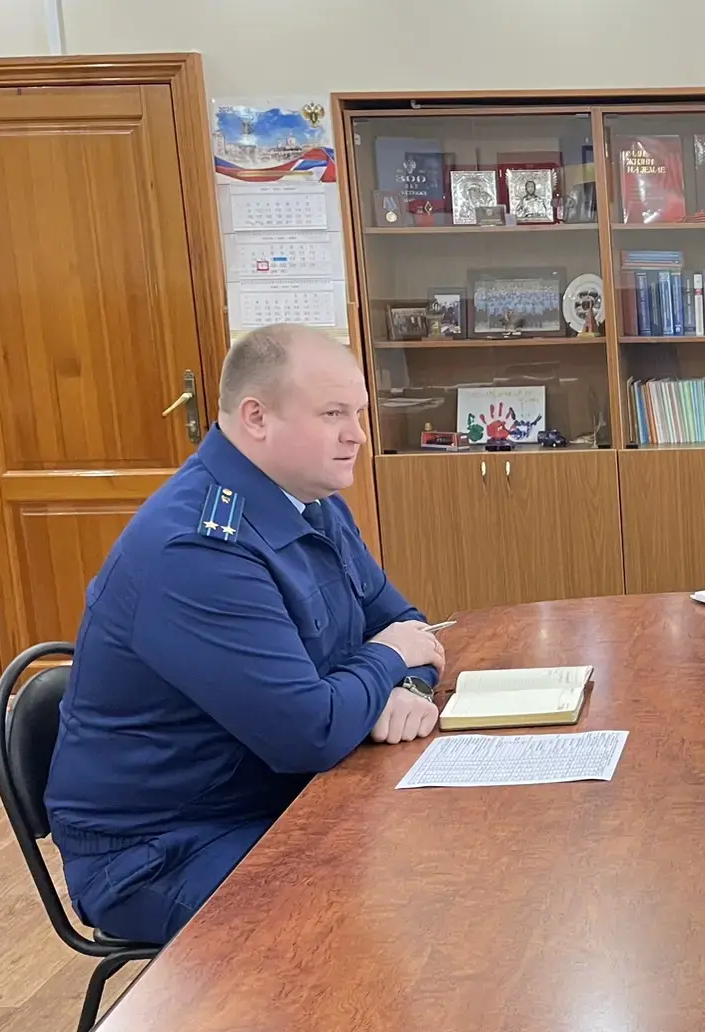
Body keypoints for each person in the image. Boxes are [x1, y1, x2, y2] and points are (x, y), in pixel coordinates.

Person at [46, 324, 447, 944]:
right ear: (256, 417)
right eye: (333, 414)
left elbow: (406, 622)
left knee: (442, 870)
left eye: (360, 413)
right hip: (163, 852)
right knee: (382, 915)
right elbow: (311, 732)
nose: (357, 435)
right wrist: (387, 661)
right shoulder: (197, 549)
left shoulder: (310, 502)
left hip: (279, 799)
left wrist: (409, 689)